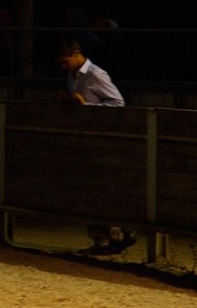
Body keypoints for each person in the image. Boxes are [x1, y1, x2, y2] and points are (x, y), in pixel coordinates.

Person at [57, 36, 136, 254]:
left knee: (101, 188)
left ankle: (117, 233)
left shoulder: (96, 75)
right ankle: (103, 238)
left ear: (76, 55)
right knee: (88, 190)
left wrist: (88, 105)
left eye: (65, 60)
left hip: (101, 140)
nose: (63, 65)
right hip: (86, 139)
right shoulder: (73, 76)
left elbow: (118, 103)